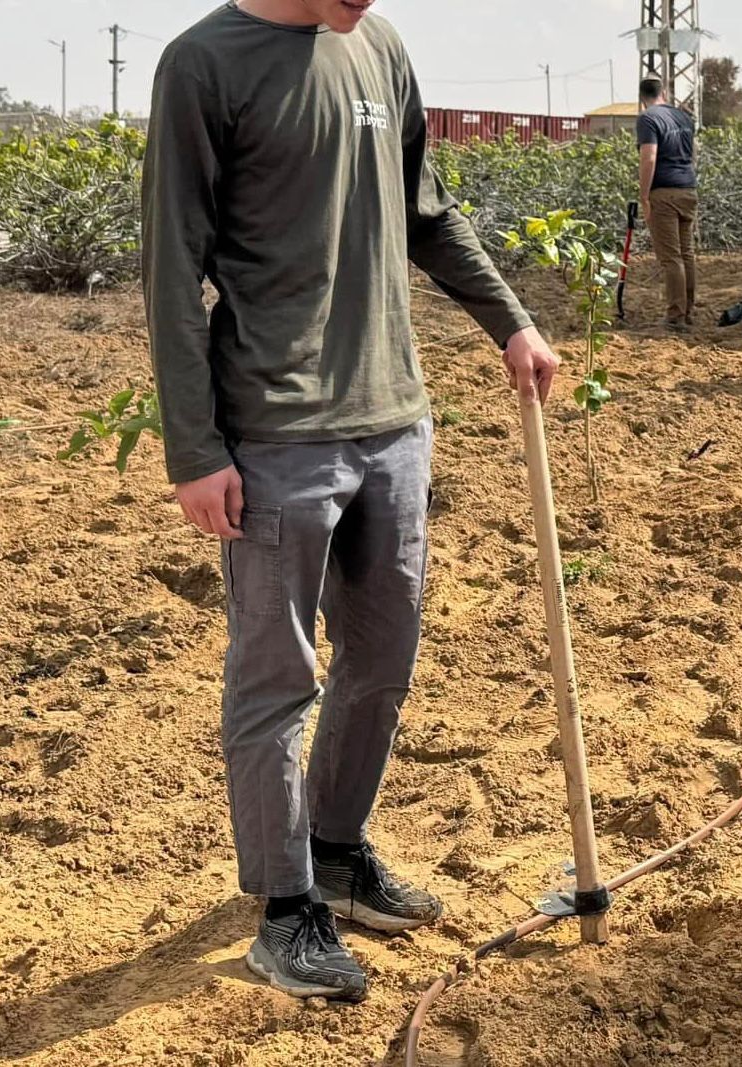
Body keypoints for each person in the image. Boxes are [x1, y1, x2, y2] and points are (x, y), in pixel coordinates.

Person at [142, 0, 558, 1003]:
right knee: (276, 676)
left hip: (394, 416)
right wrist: (195, 449)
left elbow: (427, 211)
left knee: (382, 654)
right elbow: (171, 268)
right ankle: (284, 909)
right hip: (276, 431)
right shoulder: (202, 65)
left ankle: (335, 849)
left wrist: (510, 322)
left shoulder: (379, 46)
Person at [637, 77, 698, 331]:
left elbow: (649, 158)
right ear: (664, 92)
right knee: (686, 254)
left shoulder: (647, 118)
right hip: (688, 189)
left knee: (671, 257)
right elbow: (693, 154)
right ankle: (688, 310)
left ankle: (675, 316)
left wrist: (644, 196)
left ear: (642, 97)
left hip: (664, 193)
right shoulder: (684, 117)